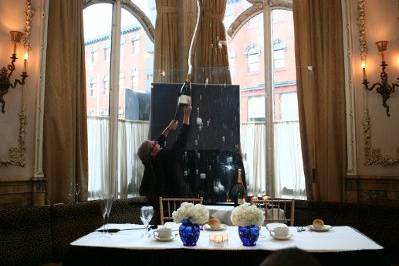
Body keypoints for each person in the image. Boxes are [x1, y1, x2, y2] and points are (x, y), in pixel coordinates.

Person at [138, 104, 192, 202]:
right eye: (154, 143)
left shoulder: (149, 162)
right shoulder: (165, 156)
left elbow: (160, 141)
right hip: (177, 202)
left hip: (161, 205)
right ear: (152, 152)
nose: (156, 142)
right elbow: (181, 142)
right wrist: (186, 116)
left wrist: (168, 128)